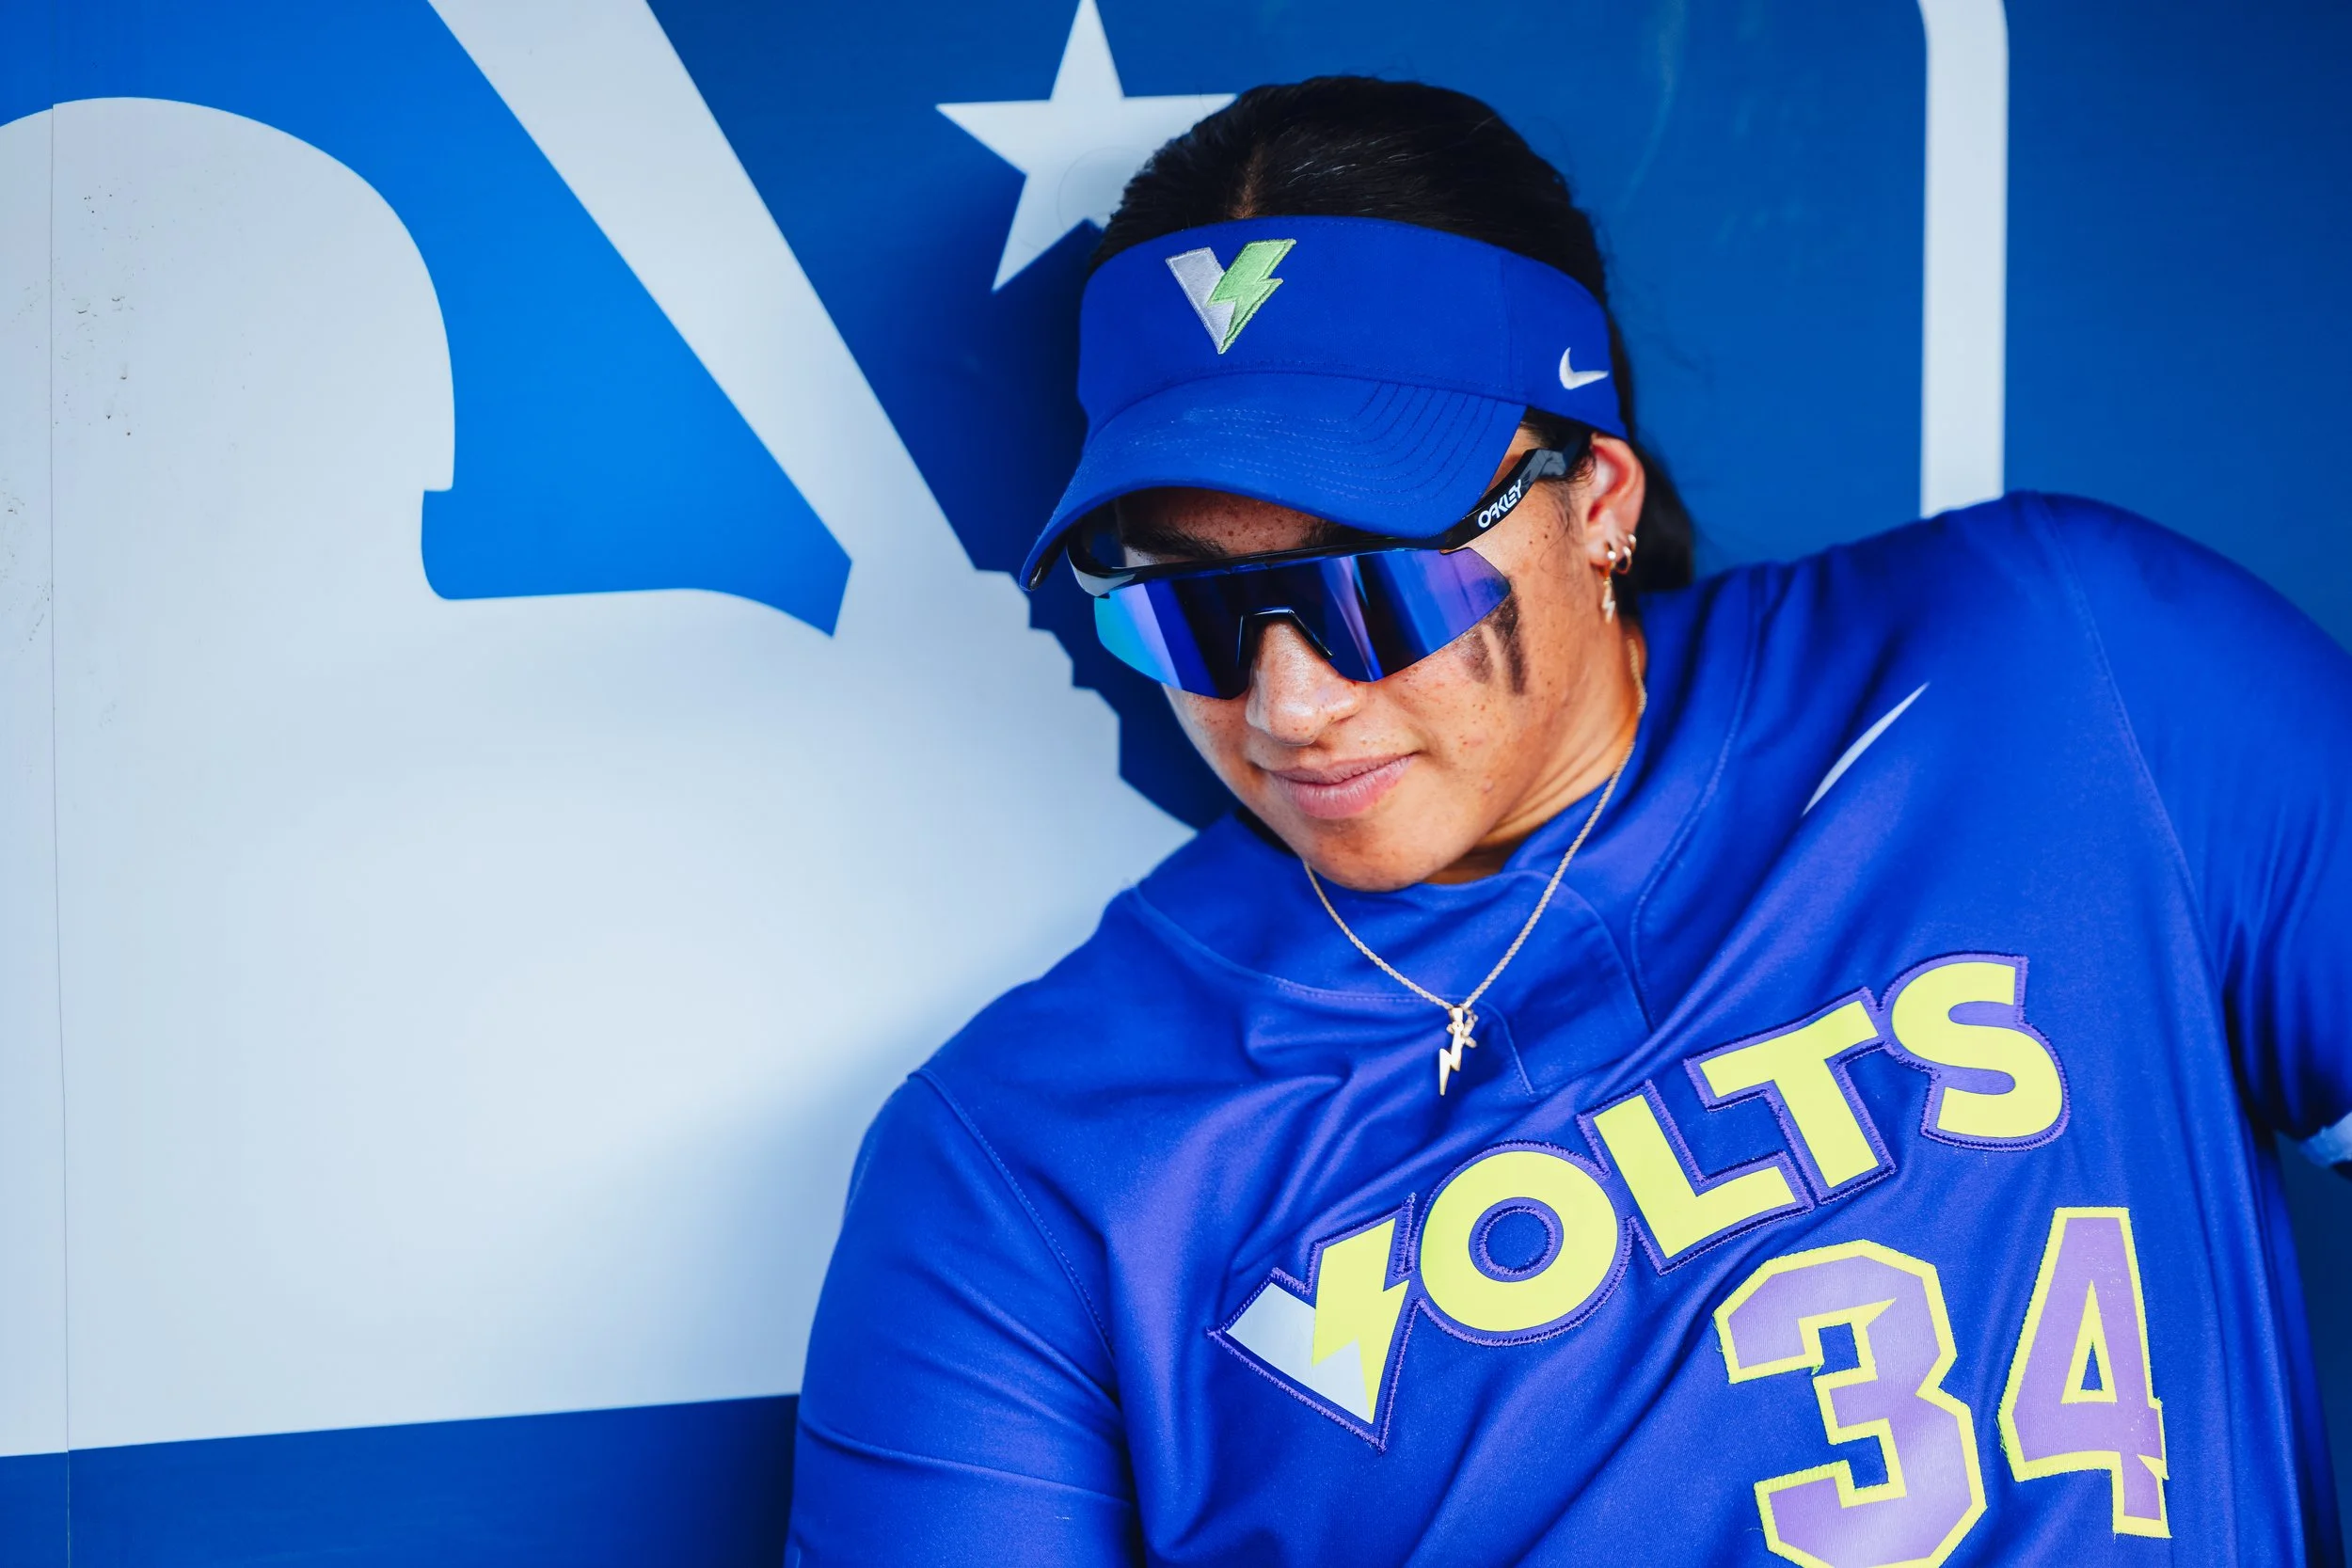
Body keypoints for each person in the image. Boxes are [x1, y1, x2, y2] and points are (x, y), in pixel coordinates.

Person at [786, 77, 2351, 1565]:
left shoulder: (2062, 673)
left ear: (1595, 494)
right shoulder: (1029, 1162)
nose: (1288, 705)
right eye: (1189, 611)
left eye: (1371, 583)